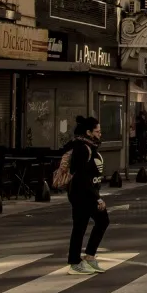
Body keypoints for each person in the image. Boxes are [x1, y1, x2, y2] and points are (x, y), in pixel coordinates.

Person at [61, 115, 109, 273]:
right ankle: (75, 262)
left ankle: (89, 257)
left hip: (88, 192)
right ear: (88, 132)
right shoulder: (82, 148)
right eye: (97, 131)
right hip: (82, 194)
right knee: (81, 226)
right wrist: (97, 198)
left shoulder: (89, 146)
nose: (100, 134)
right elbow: (82, 176)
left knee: (101, 221)